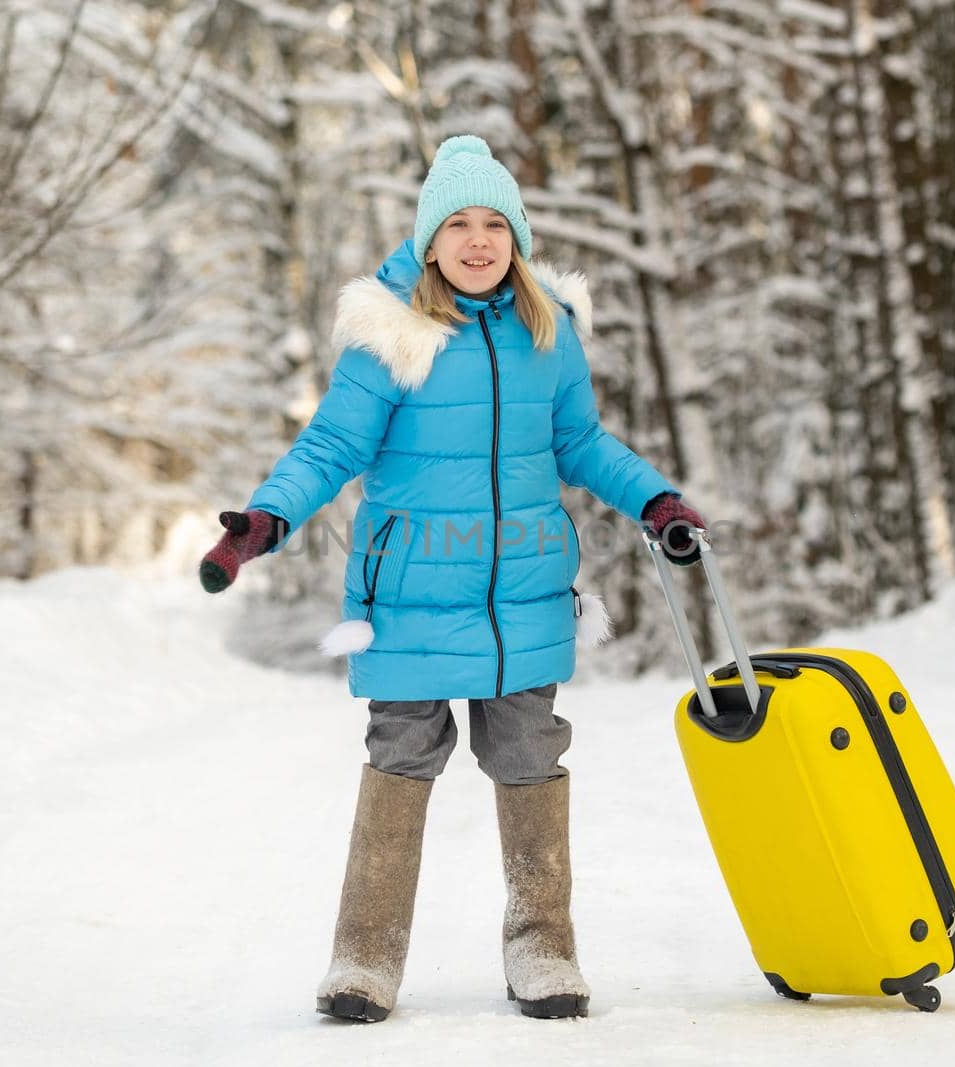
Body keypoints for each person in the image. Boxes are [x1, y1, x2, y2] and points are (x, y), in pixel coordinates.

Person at [199, 135, 708, 1022]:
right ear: (430, 240)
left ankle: (542, 947)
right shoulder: (392, 333)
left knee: (530, 754)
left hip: (522, 592)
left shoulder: (548, 330)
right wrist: (264, 520)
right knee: (400, 752)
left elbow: (581, 442)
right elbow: (330, 445)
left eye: (496, 224)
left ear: (516, 235)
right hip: (410, 594)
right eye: (460, 225)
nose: (479, 241)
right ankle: (364, 957)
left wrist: (656, 499)